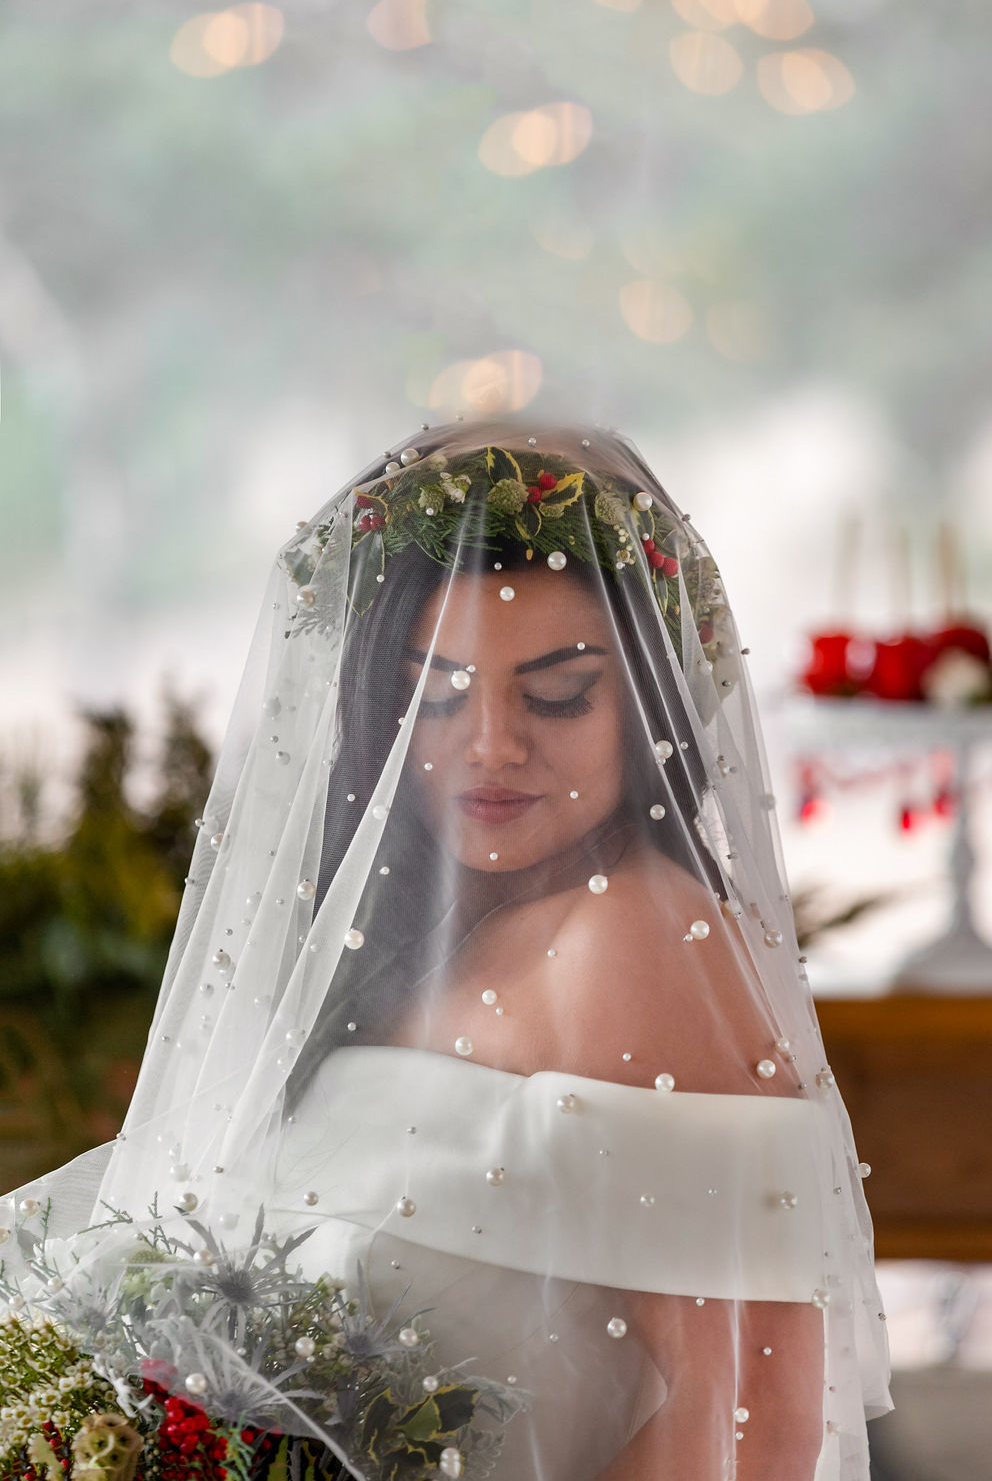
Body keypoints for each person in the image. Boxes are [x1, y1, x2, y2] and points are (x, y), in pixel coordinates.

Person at [0, 417, 892, 1481]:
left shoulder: (633, 937)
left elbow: (753, 1416)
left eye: (559, 693)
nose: (492, 744)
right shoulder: (404, 941)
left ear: (648, 707)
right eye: (437, 694)